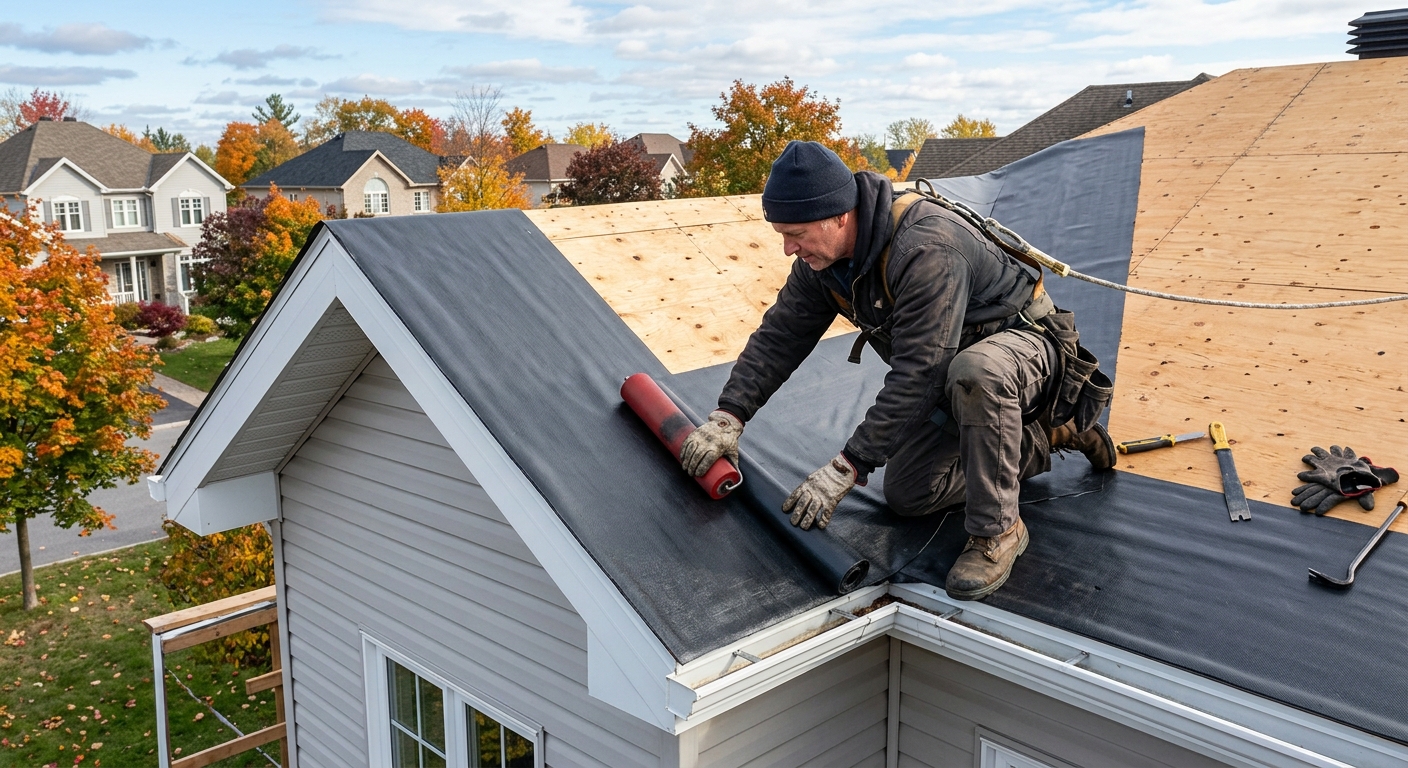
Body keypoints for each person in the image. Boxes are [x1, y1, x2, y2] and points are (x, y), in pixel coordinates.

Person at [678, 140, 1115, 600]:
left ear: (839, 216)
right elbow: (780, 337)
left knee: (976, 371)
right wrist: (728, 417)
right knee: (910, 495)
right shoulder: (823, 261)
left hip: (1024, 354)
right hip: (953, 377)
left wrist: (848, 465)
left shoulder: (926, 245)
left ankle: (999, 531)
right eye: (782, 235)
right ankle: (1051, 435)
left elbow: (921, 371)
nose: (789, 248)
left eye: (797, 234)